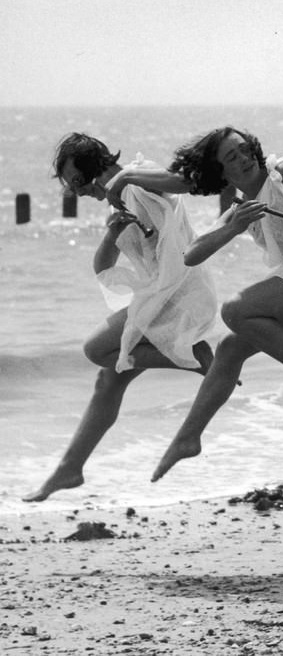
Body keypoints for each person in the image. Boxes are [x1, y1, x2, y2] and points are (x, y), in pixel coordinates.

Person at [106, 127, 283, 481]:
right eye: (231, 157)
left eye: (245, 150)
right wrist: (232, 228)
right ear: (221, 173)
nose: (243, 159)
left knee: (235, 311)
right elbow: (191, 255)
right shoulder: (242, 207)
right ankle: (187, 439)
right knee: (230, 348)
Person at [24, 134, 217, 501]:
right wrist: (112, 233)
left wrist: (128, 179)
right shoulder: (119, 201)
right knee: (109, 381)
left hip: (177, 296)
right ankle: (70, 470)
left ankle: (195, 359)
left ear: (95, 166)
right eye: (70, 186)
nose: (77, 192)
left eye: (77, 182)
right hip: (164, 295)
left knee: (97, 349)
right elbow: (103, 268)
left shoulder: (137, 182)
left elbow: (185, 185)